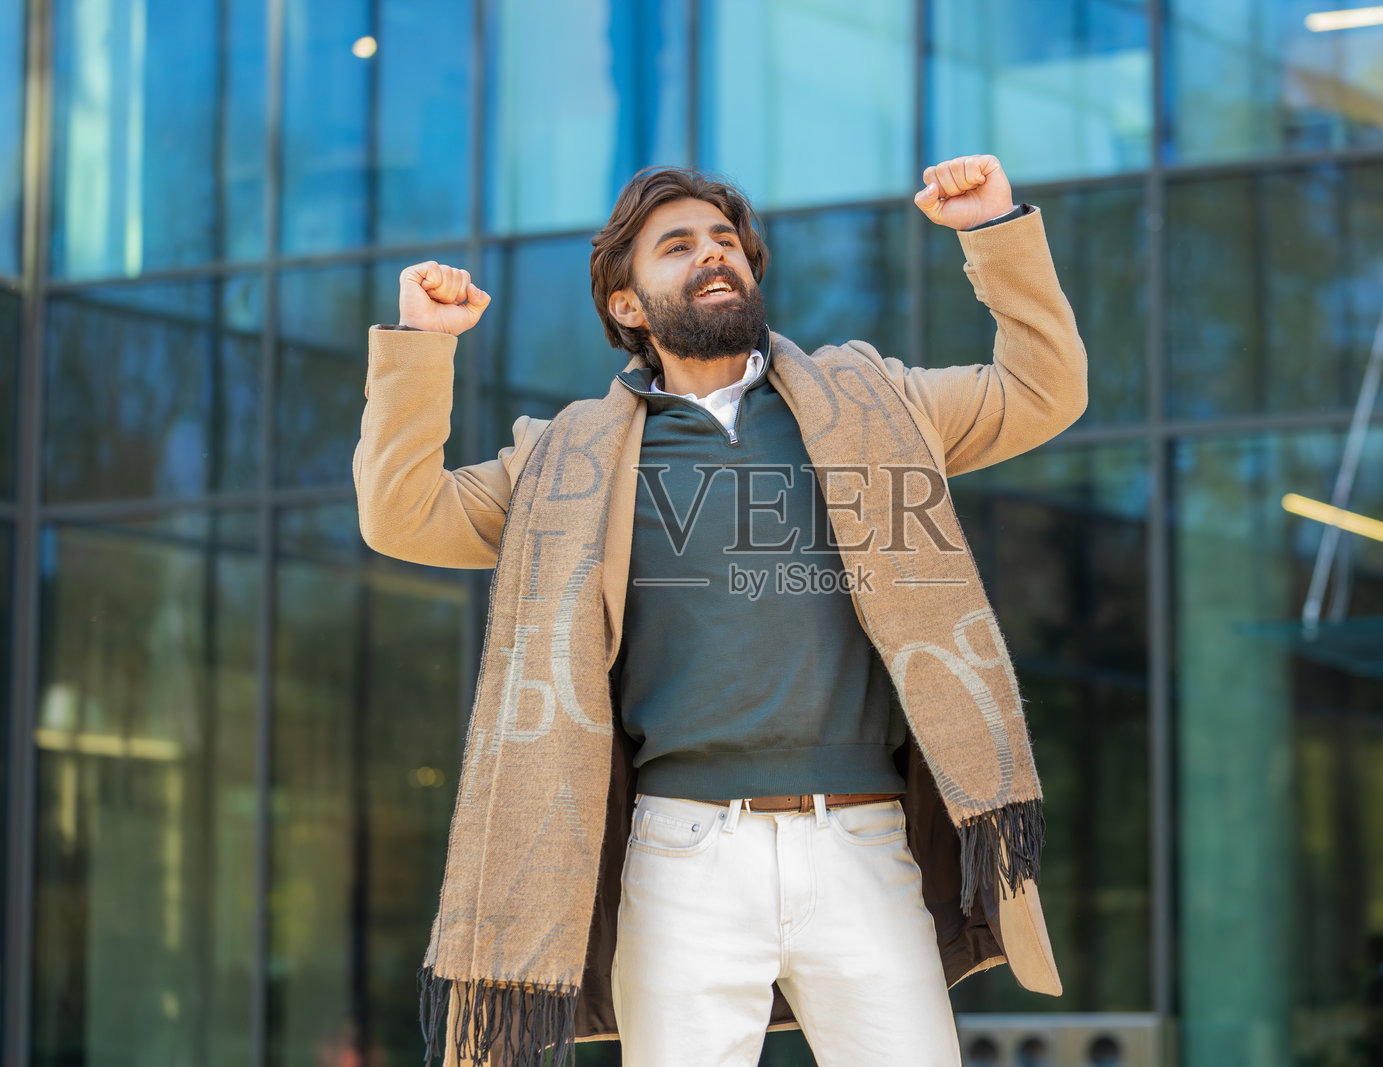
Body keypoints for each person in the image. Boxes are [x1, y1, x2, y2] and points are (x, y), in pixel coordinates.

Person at [354, 154, 1088, 1067]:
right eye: (677, 246)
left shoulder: (879, 403)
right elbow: (400, 513)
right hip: (682, 855)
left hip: (864, 839)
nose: (713, 256)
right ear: (627, 305)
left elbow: (1045, 389)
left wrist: (992, 232)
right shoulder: (565, 462)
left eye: (724, 241)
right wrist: (424, 343)